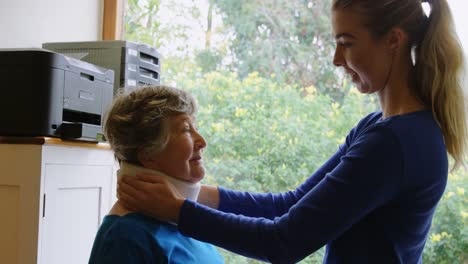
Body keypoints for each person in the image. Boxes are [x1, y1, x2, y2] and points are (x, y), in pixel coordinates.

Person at [117, 0, 467, 263]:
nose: (335, 59)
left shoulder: (394, 143)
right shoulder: (379, 128)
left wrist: (177, 209)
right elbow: (288, 204)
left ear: (393, 40)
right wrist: (190, 192)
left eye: (346, 43)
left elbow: (283, 241)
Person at [88, 85, 224, 263]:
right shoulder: (125, 236)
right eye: (186, 130)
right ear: (148, 154)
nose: (202, 142)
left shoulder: (185, 220)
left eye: (195, 127)